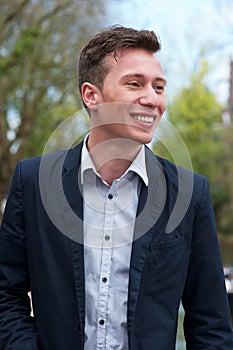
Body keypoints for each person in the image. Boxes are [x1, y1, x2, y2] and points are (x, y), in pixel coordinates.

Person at [0, 25, 233, 350]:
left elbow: (211, 324)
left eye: (159, 87)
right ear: (91, 95)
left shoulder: (190, 193)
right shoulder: (32, 182)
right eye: (134, 84)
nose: (152, 99)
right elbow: (6, 294)